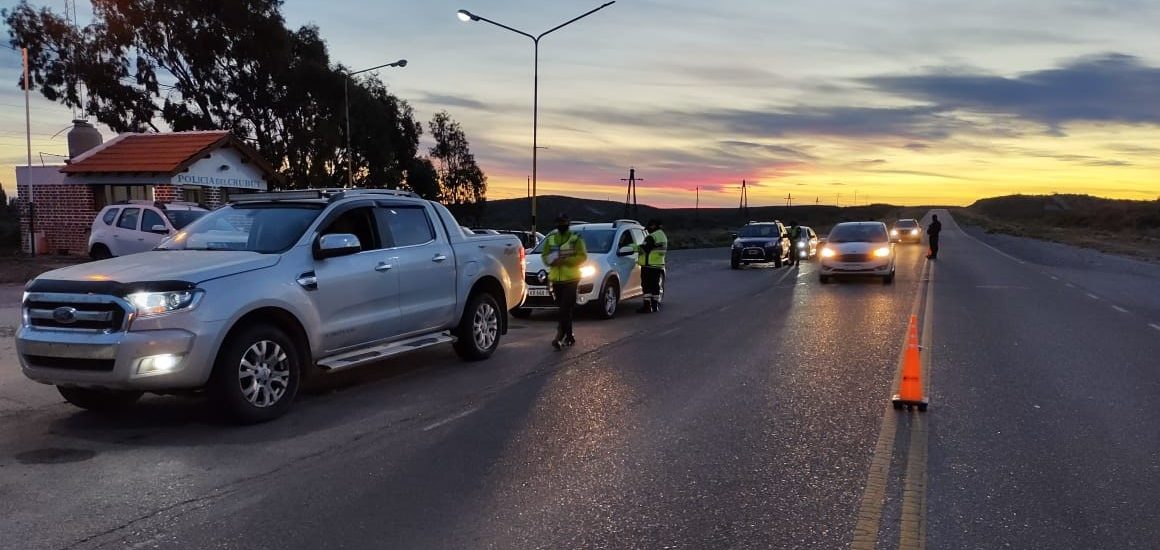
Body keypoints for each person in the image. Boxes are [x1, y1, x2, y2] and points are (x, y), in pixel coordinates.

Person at [542, 213, 587, 349]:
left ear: (568, 223)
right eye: (559, 223)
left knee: (564, 308)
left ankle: (559, 336)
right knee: (564, 310)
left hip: (571, 279)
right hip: (556, 280)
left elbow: (582, 256)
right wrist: (552, 261)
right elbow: (544, 256)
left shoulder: (575, 239)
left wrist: (566, 260)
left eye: (564, 222)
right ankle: (570, 336)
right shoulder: (551, 239)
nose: (561, 225)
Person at [635, 219, 668, 313]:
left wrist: (633, 247)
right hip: (658, 265)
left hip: (649, 265)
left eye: (648, 228)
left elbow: (643, 249)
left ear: (652, 226)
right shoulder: (662, 236)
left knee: (646, 286)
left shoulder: (652, 237)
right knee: (655, 286)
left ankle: (647, 306)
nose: (647, 230)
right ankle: (654, 306)